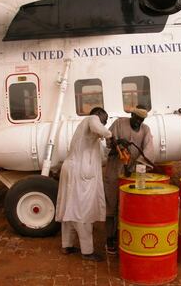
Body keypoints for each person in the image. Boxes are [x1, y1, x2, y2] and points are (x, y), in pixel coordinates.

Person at [56, 107, 112, 262]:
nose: (105, 123)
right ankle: (87, 251)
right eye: (105, 120)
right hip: (79, 174)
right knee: (83, 211)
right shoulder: (91, 119)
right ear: (98, 115)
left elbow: (102, 158)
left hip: (73, 170)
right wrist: (110, 135)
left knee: (70, 208)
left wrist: (110, 149)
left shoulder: (89, 137)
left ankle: (66, 245)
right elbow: (98, 126)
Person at [104, 105, 154, 254]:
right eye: (136, 118)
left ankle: (127, 237)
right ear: (132, 115)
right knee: (111, 203)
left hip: (132, 173)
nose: (138, 121)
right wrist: (118, 143)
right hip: (114, 170)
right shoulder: (119, 123)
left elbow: (148, 152)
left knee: (129, 206)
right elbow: (108, 141)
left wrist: (133, 169)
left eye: (141, 119)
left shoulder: (145, 130)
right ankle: (109, 238)